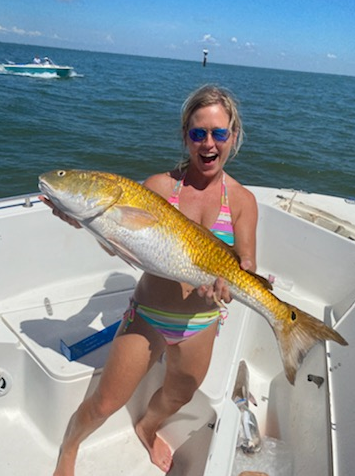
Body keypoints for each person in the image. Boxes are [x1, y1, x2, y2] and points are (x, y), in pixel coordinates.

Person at [41, 84, 258, 475]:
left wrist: (231, 283)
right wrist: (84, 224)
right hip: (149, 316)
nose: (208, 143)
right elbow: (120, 246)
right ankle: (70, 446)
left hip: (202, 323)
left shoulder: (243, 201)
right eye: (198, 133)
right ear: (185, 137)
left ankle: (147, 424)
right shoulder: (158, 188)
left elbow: (247, 264)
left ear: (234, 137)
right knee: (105, 402)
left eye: (219, 133)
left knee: (179, 392)